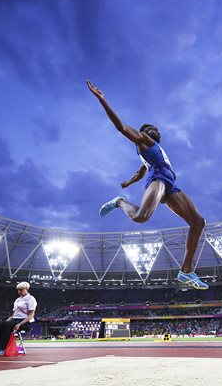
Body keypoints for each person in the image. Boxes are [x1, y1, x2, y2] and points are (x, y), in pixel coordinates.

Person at [86, 79, 207, 290]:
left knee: (198, 222)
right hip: (159, 178)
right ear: (145, 133)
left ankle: (186, 273)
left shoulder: (150, 152)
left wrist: (127, 182)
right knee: (141, 217)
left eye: (157, 130)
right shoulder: (144, 140)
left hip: (169, 181)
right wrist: (103, 100)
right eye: (153, 129)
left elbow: (140, 172)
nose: (157, 131)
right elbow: (121, 127)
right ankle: (120, 202)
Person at [0, 282, 37, 355]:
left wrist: (19, 324)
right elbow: (13, 315)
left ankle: (4, 348)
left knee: (5, 325)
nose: (19, 292)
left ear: (26, 289)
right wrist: (4, 322)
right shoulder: (17, 300)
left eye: (21, 290)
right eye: (18, 290)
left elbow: (31, 315)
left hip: (25, 322)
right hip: (14, 320)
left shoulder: (30, 299)